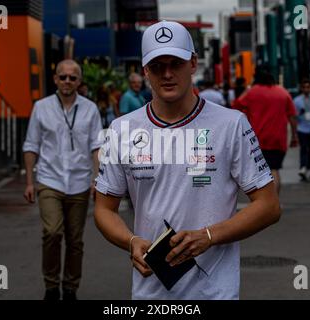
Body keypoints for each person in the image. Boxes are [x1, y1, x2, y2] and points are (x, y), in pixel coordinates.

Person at [94, 20, 280, 300]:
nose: (167, 74)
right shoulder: (121, 130)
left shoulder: (231, 124)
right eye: (157, 66)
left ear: (193, 64)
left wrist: (208, 235)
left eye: (176, 63)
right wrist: (131, 241)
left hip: (215, 291)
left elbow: (269, 206)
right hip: (151, 293)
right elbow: (104, 209)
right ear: (145, 71)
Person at [22, 59, 102, 300]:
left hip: (79, 182)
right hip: (49, 180)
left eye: (73, 77)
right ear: (55, 79)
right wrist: (29, 181)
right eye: (63, 77)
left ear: (79, 81)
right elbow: (31, 145)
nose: (68, 81)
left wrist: (96, 179)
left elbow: (97, 146)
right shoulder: (41, 107)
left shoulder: (90, 109)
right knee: (52, 232)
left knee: (75, 240)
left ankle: (70, 288)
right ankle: (50, 286)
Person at [232, 65, 298, 194]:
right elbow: (292, 117)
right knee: (274, 169)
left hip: (257, 139)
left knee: (259, 171)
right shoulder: (283, 92)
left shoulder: (252, 92)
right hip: (279, 139)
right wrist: (294, 136)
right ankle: (275, 200)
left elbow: (236, 106)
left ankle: (265, 201)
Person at [293, 79, 310, 180]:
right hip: (302, 128)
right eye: (304, 87)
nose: (306, 89)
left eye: (308, 87)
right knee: (303, 148)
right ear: (301, 88)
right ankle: (303, 167)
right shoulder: (297, 100)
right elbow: (294, 115)